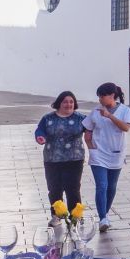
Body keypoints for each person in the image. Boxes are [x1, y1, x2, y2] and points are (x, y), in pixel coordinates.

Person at [82, 82, 130, 232]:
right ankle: (103, 218)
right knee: (102, 185)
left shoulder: (125, 110)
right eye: (99, 96)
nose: (100, 99)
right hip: (98, 154)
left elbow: (126, 128)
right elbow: (88, 130)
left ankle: (105, 214)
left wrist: (110, 116)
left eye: (102, 96)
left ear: (112, 95)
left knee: (111, 187)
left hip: (116, 153)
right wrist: (90, 147)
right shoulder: (96, 111)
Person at [34, 91, 85, 223]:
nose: (69, 104)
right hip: (52, 159)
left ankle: (75, 216)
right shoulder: (48, 118)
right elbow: (40, 130)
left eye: (71, 102)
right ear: (59, 103)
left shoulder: (81, 118)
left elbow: (94, 129)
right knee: (54, 188)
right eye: (65, 102)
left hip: (75, 158)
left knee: (73, 188)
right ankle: (57, 215)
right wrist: (40, 137)